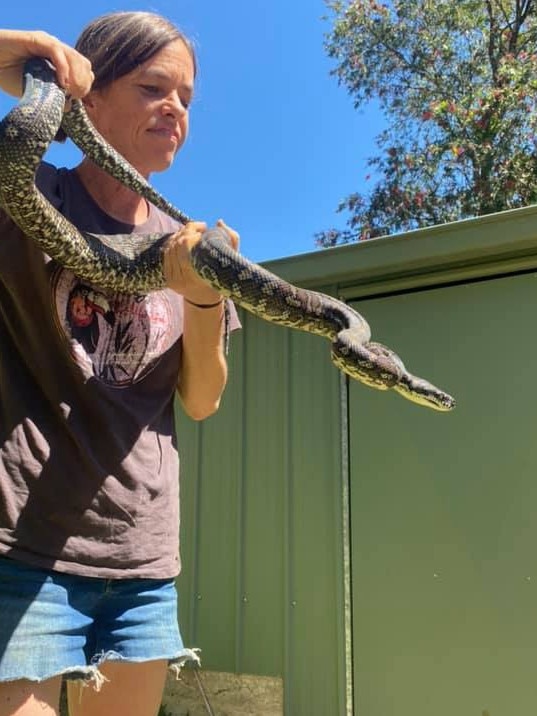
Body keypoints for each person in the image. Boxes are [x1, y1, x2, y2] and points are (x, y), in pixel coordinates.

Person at [0, 11, 240, 716]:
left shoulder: (190, 247)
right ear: (89, 97)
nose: (175, 108)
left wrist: (199, 300)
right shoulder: (26, 190)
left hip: (141, 560)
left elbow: (200, 400)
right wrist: (30, 54)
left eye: (186, 98)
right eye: (151, 88)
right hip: (26, 551)